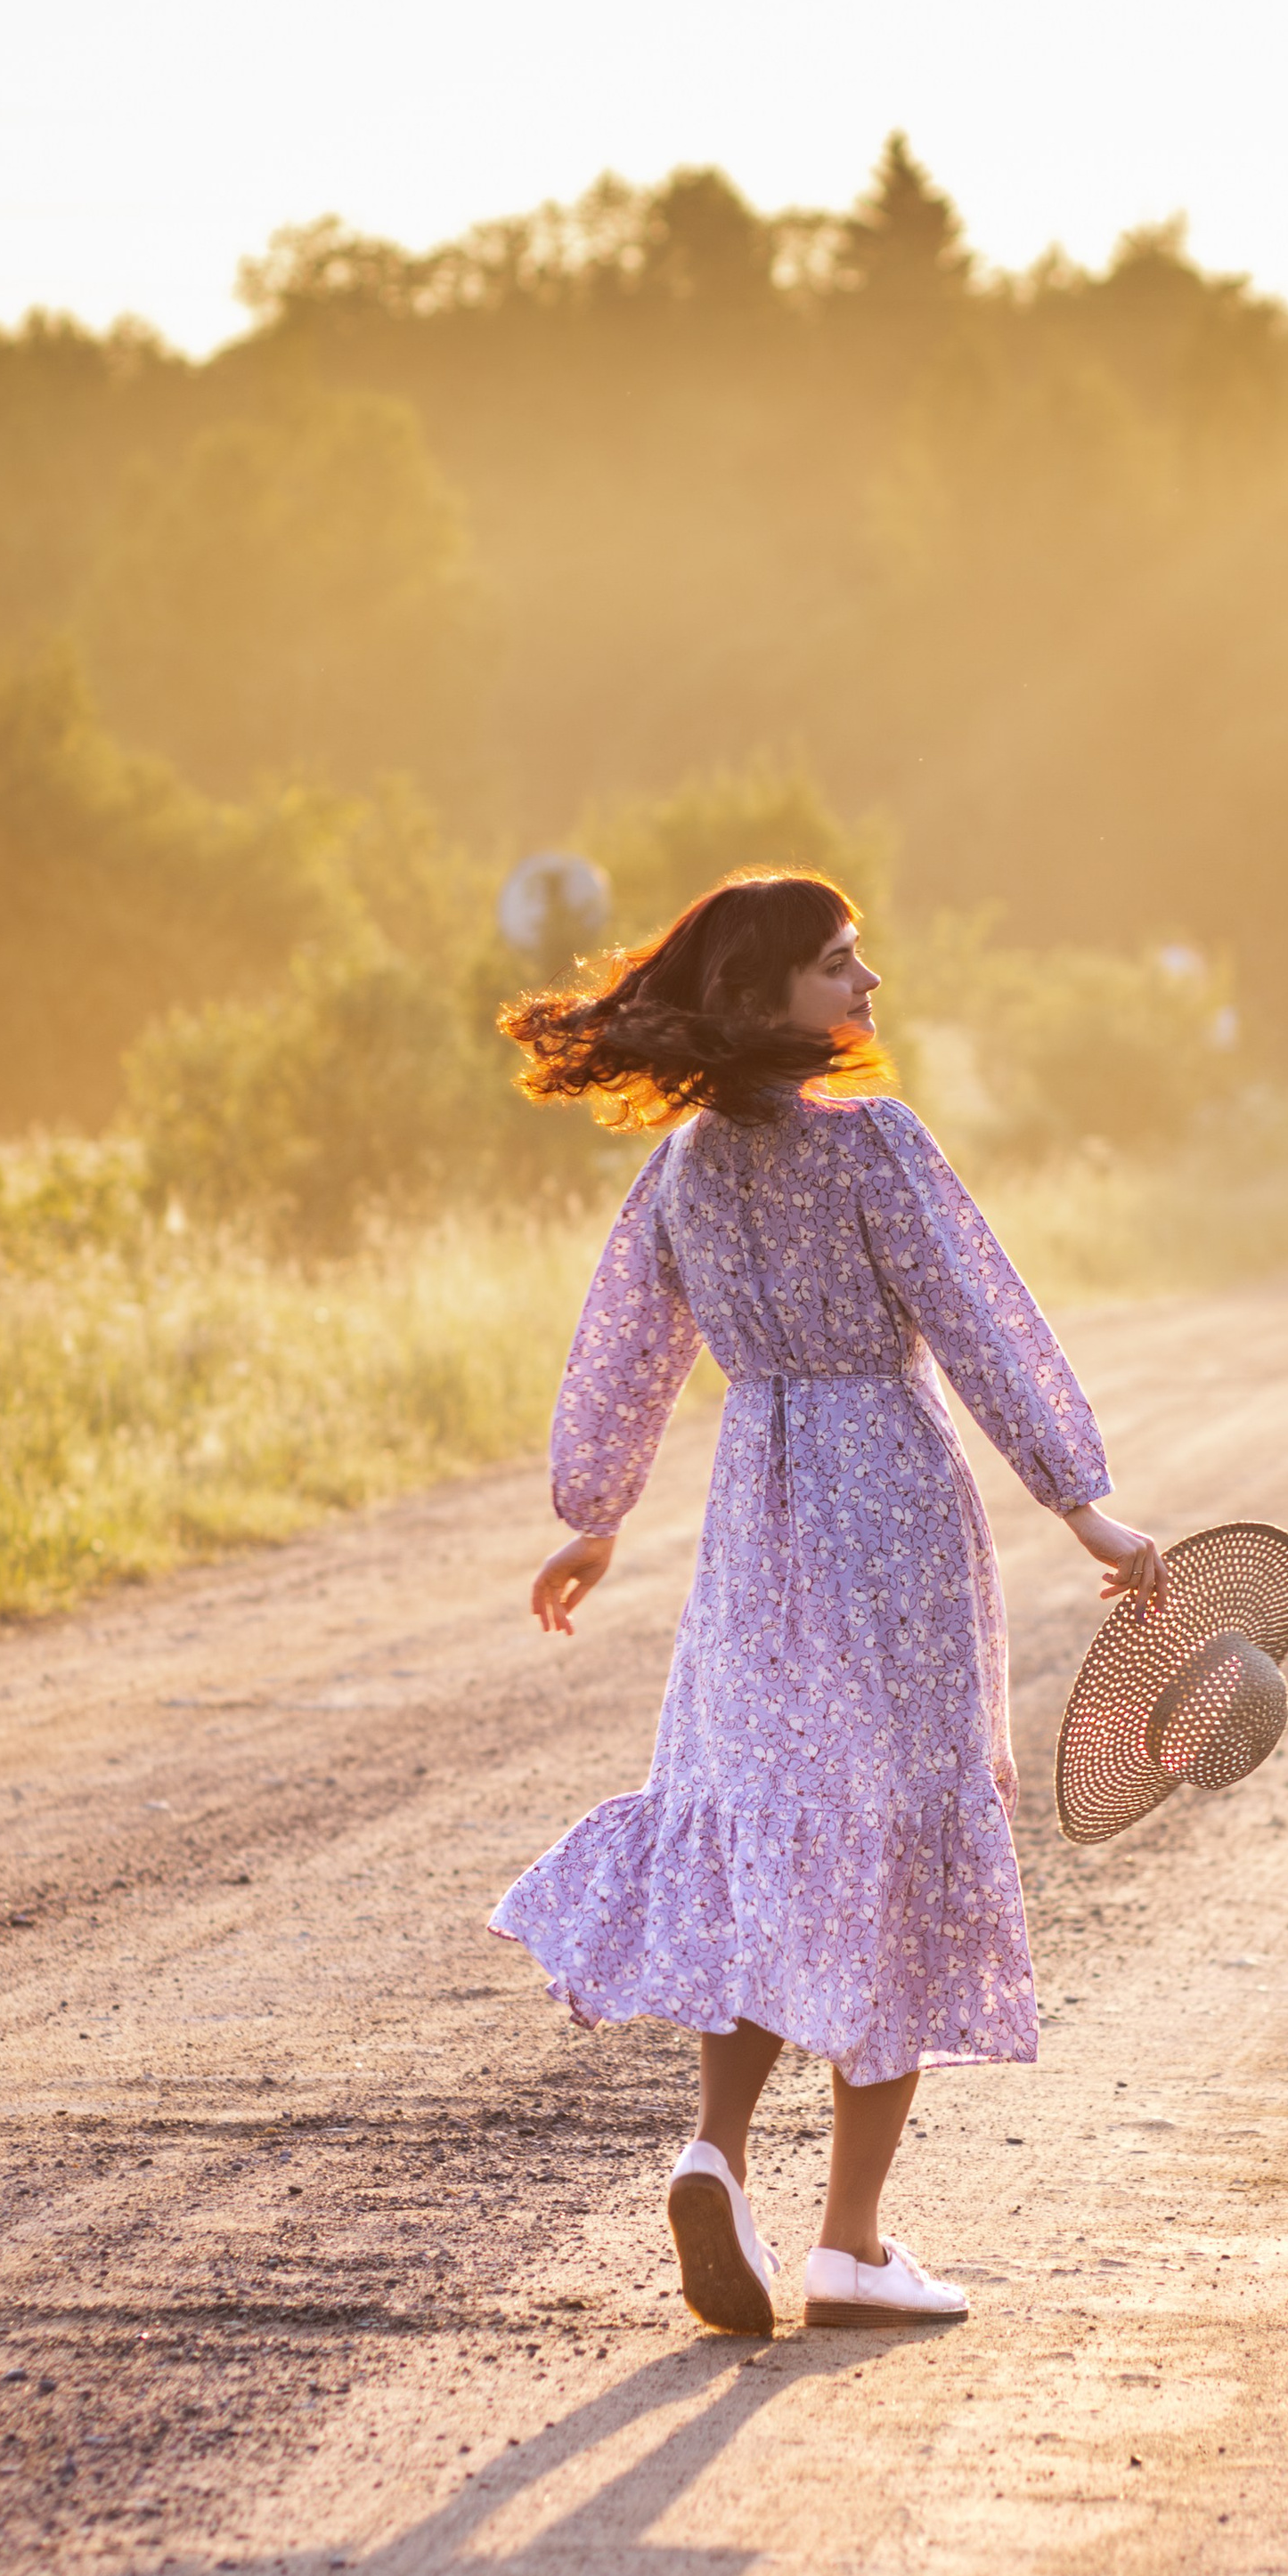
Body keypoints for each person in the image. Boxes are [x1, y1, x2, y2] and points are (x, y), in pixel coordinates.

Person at [489, 872, 1162, 2332]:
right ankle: (851, 2241)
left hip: (758, 1513)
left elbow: (625, 1348)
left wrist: (594, 1518)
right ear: (767, 994)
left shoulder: (683, 1169)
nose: (870, 988)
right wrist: (1081, 1499)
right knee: (897, 1837)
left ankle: (715, 2155)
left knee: (763, 1812)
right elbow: (983, 1322)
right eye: (842, 966)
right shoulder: (872, 1149)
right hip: (892, 1504)